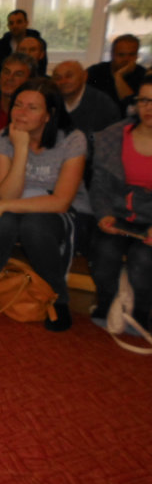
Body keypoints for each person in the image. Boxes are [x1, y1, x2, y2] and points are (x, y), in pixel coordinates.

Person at [0, 78, 92, 332]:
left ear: (49, 115)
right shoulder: (5, 137)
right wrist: (21, 149)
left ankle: (59, 298)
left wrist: (1, 206)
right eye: (18, 105)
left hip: (63, 210)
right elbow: (7, 193)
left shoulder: (72, 139)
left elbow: (61, 201)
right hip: (18, 201)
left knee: (33, 226)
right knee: (3, 222)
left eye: (32, 107)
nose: (21, 113)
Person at [88, 77, 152, 334]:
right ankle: (105, 303)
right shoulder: (113, 137)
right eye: (144, 100)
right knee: (105, 252)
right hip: (118, 214)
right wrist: (104, 215)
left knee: (143, 260)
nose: (149, 107)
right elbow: (99, 186)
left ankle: (142, 312)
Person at [53, 60, 121, 136]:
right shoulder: (51, 102)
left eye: (69, 76)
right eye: (58, 78)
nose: (63, 81)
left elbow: (113, 137)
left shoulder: (103, 104)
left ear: (84, 76)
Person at [87, 34, 147, 112]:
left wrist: (118, 77)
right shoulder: (96, 71)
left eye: (131, 55)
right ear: (112, 54)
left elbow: (132, 107)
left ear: (136, 56)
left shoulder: (144, 76)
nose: (126, 59)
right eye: (121, 55)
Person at [0, 9, 46, 85]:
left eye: (19, 22)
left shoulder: (37, 43)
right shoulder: (0, 45)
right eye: (11, 23)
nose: (15, 26)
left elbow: (41, 70)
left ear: (26, 23)